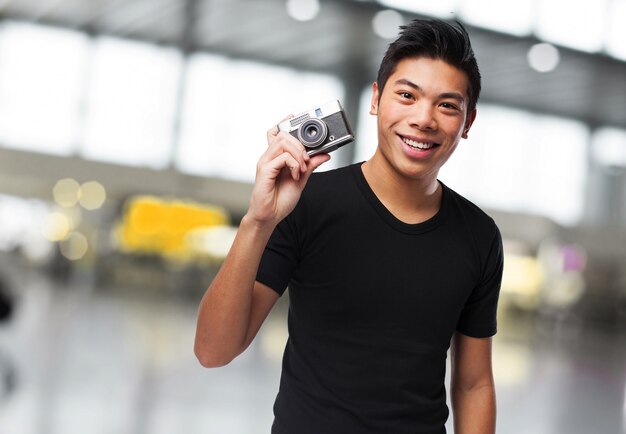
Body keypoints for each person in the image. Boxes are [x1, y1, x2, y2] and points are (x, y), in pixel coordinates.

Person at [194, 18, 503, 434]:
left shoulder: (479, 237)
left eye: (447, 105)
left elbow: (473, 383)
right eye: (406, 95)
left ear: (467, 123)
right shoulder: (307, 204)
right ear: (376, 99)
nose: (424, 118)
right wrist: (258, 221)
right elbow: (213, 350)